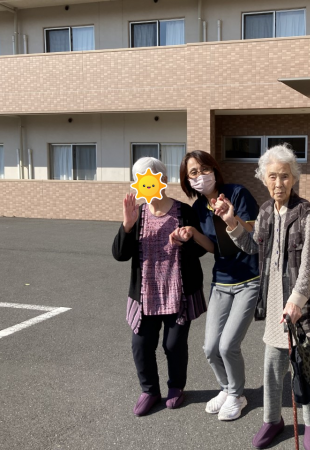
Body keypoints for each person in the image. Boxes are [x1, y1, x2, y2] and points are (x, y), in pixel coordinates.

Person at [214, 145, 310, 450]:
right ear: (264, 179)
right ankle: (272, 420)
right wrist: (231, 221)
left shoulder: (306, 214)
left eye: (284, 176)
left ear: (293, 178)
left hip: (307, 310)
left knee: (307, 371)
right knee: (272, 369)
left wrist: (296, 300)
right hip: (275, 309)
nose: (279, 183)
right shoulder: (266, 211)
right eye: (273, 176)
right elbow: (253, 246)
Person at [112, 157, 212, 417]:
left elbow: (201, 251)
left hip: (178, 294)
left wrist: (185, 241)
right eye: (139, 180)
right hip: (146, 295)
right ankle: (149, 391)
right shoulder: (138, 214)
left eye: (149, 179)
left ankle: (176, 387)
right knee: (141, 344)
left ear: (163, 180)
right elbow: (120, 255)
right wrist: (127, 226)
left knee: (173, 345)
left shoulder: (184, 211)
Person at [179, 150, 260, 421]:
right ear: (187, 180)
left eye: (204, 169)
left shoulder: (237, 193)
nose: (200, 176)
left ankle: (237, 394)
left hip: (249, 279)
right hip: (221, 281)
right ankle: (227, 388)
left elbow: (255, 233)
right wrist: (193, 233)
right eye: (193, 173)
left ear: (214, 169)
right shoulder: (197, 209)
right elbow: (214, 248)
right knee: (210, 348)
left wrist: (231, 218)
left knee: (227, 346)